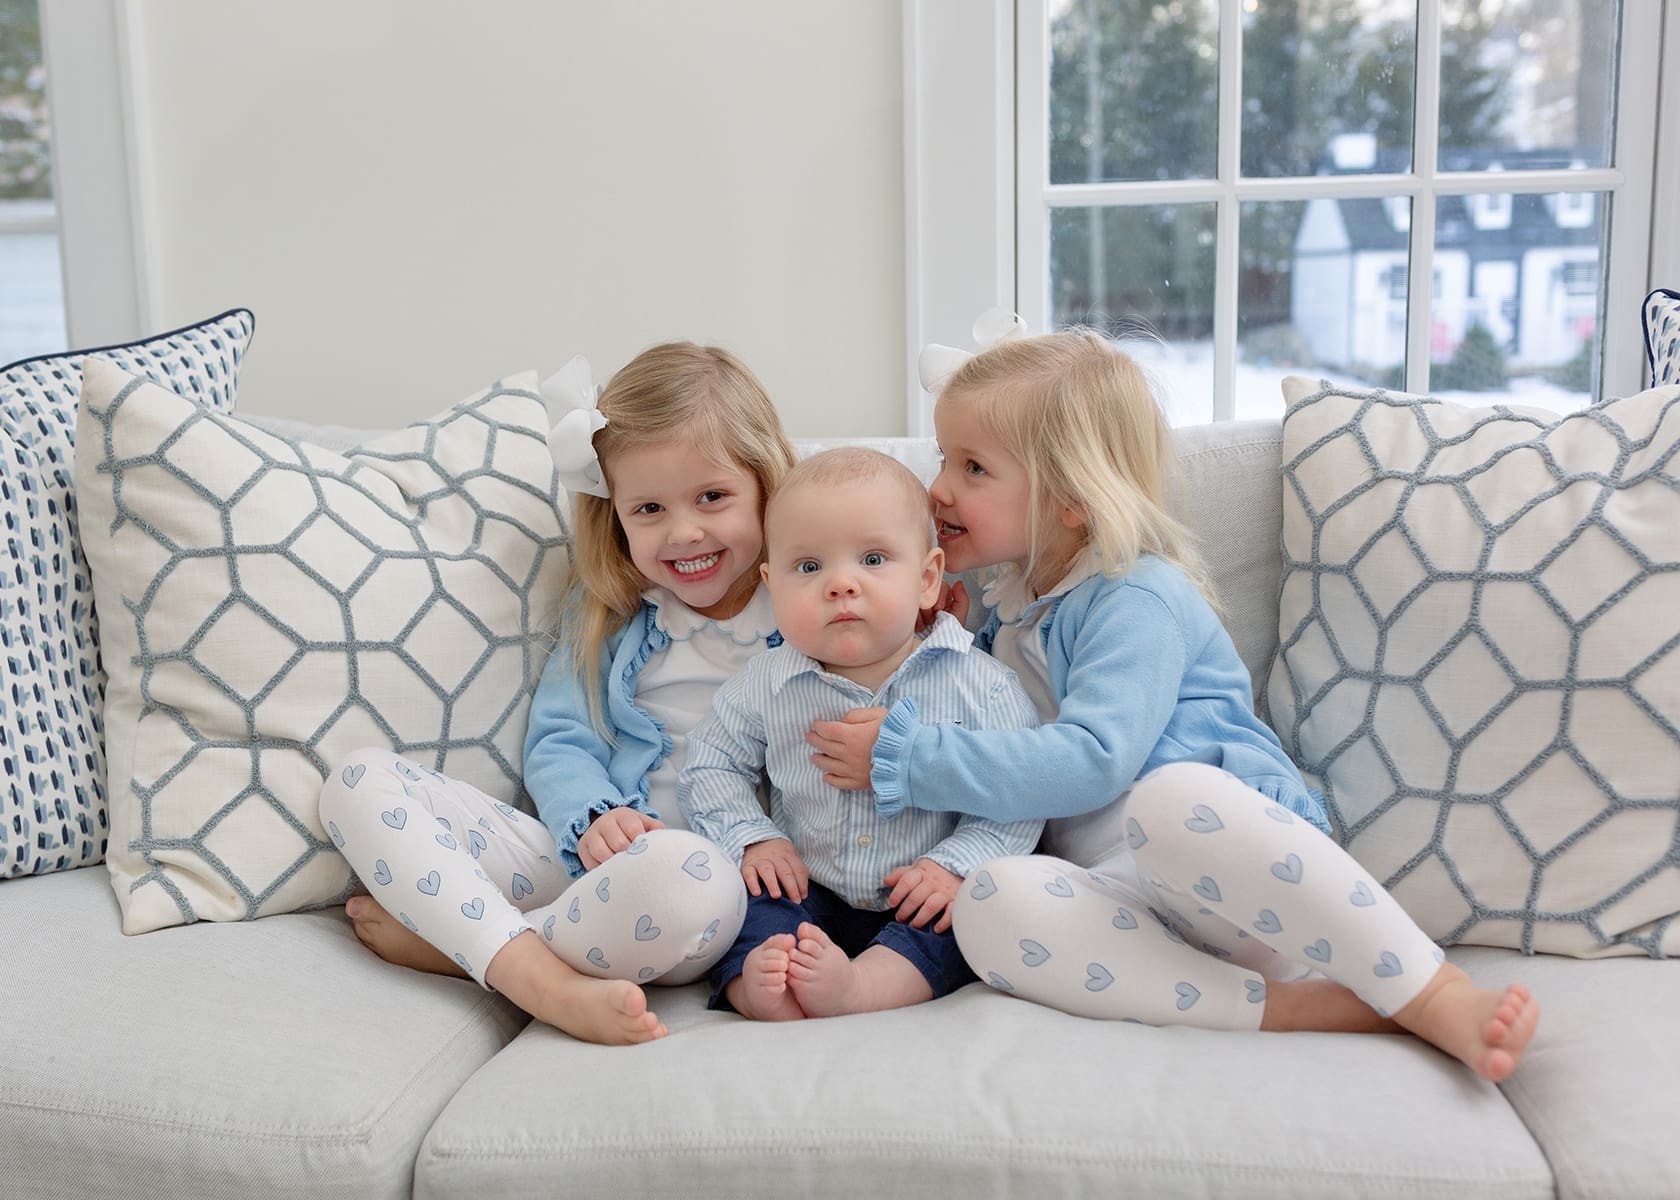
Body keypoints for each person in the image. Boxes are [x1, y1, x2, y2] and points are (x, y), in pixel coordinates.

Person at [809, 325, 1540, 1081]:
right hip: (1132, 902)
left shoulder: (1136, 594)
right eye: (941, 458)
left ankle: (1433, 991)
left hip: (1232, 873)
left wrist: (908, 755)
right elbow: (1005, 750)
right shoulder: (1009, 613)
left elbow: (1096, 761)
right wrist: (943, 645)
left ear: (1071, 499)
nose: (939, 488)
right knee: (990, 903)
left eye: (973, 467)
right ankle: (1288, 1010)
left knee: (1169, 800)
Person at [318, 341, 797, 1045]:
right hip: (580, 857)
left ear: (766, 484)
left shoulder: (805, 609)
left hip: (699, 889)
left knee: (685, 874)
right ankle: (537, 976)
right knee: (356, 780)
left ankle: (467, 943)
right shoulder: (611, 610)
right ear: (616, 516)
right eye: (649, 509)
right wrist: (593, 815)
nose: (684, 530)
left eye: (713, 497)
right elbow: (562, 739)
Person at [679, 448, 1043, 1021]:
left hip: (920, 888)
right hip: (808, 882)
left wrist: (956, 865)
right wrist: (753, 838)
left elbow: (1018, 789)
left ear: (927, 579)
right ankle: (760, 985)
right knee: (749, 901)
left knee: (960, 922)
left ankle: (861, 988)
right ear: (772, 586)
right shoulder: (766, 686)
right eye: (808, 568)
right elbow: (710, 765)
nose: (841, 585)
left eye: (873, 559)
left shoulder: (980, 684)